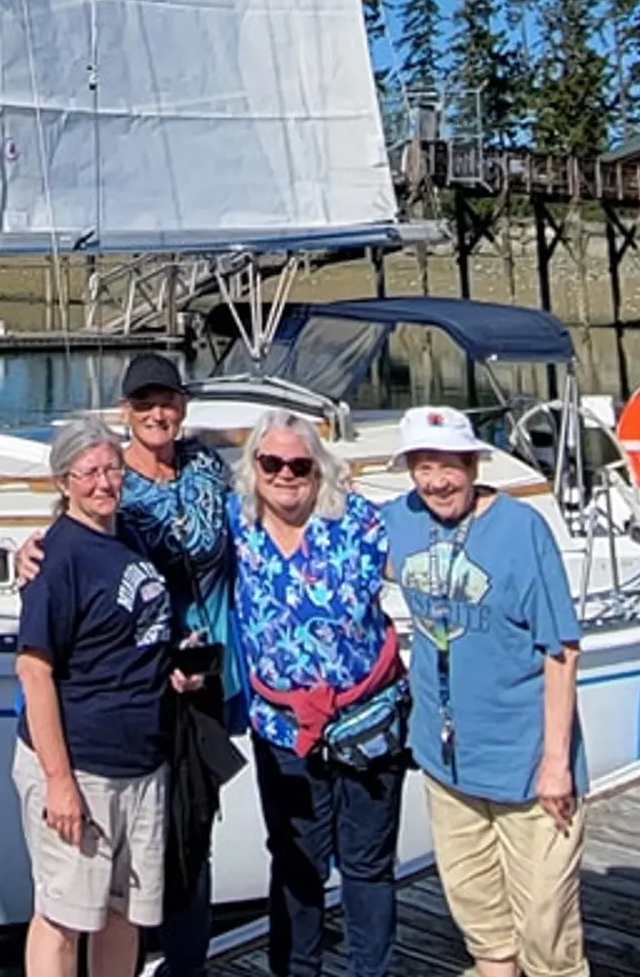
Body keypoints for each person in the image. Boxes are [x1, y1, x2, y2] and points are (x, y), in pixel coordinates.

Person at [17, 352, 240, 976]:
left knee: (178, 850)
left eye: (167, 401)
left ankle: (188, 964)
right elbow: (41, 648)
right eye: (143, 405)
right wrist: (29, 550)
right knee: (69, 908)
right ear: (125, 414)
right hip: (102, 732)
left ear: (184, 405)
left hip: (188, 688)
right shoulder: (93, 519)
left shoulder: (202, 471)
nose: (157, 414)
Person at [380, 404, 589, 977]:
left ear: (473, 464)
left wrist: (555, 763)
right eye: (424, 466)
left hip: (525, 762)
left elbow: (562, 650)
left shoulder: (522, 531)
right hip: (446, 760)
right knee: (484, 926)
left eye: (449, 465)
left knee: (547, 930)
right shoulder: (399, 519)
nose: (437, 480)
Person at [230, 410, 405, 977]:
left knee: (367, 865)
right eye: (271, 462)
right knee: (295, 862)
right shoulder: (238, 523)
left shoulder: (358, 521)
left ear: (319, 469)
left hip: (367, 723)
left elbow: (430, 549)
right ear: (253, 469)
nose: (285, 474)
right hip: (282, 729)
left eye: (299, 464)